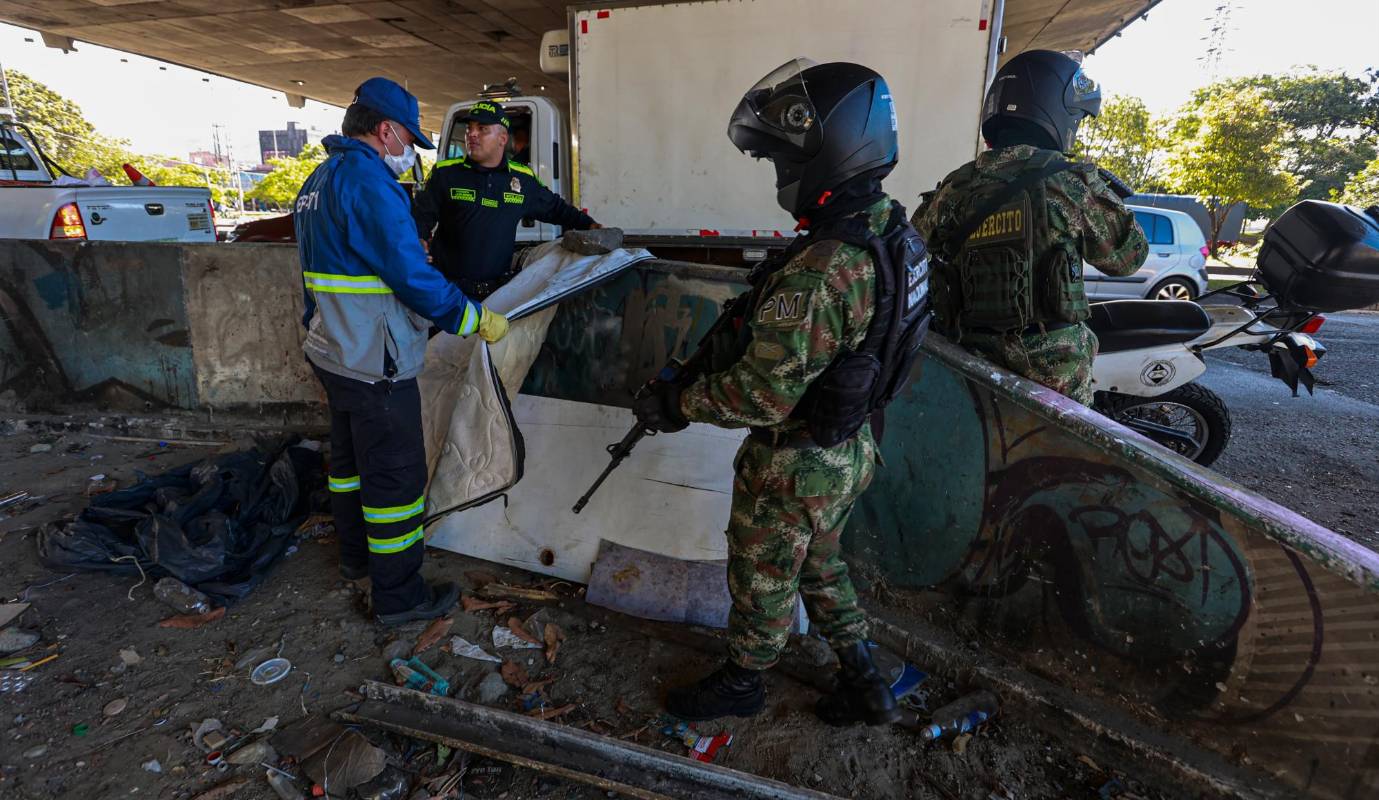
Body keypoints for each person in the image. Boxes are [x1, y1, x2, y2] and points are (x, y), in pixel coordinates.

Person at [632, 59, 930, 726]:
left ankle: (742, 682)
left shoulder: (822, 270)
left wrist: (677, 405)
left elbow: (762, 398)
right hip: (850, 447)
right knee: (820, 565)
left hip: (794, 463)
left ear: (829, 150)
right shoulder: (892, 231)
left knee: (763, 577)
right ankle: (864, 680)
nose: (778, 177)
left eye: (781, 161)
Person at [294, 77, 510, 626]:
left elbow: (317, 276)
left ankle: (355, 561)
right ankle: (398, 597)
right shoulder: (369, 183)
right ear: (385, 130)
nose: (409, 151)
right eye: (408, 139)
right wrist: (470, 317)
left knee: (349, 468)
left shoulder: (320, 179)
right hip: (375, 361)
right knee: (395, 482)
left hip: (334, 351)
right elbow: (410, 275)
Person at [912, 50, 1147, 405]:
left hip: (970, 365)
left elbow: (914, 249)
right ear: (1056, 113)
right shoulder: (1069, 182)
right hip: (1053, 374)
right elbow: (1127, 259)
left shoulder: (956, 185)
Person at [413, 100, 600, 299]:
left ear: (502, 138)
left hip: (496, 295)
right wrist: (418, 239)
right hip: (447, 292)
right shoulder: (446, 173)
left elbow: (556, 208)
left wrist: (589, 225)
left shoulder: (522, 179)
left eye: (482, 129)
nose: (472, 134)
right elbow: (420, 216)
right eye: (469, 129)